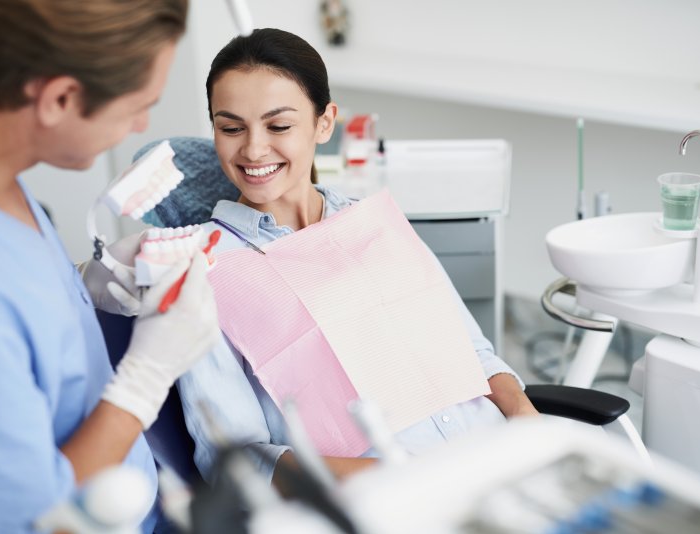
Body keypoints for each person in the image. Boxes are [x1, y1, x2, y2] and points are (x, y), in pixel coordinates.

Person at [173, 28, 538, 488]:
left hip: (501, 458)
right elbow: (235, 459)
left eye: (279, 125)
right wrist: (406, 477)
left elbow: (473, 354)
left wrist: (526, 419)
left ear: (324, 123)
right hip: (387, 498)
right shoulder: (203, 270)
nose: (253, 149)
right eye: (230, 128)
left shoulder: (373, 222)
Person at [0, 1, 219, 532]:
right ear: (61, 97)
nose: (142, 124)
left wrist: (83, 285)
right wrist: (146, 380)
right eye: (138, 106)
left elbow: (10, 325)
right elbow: (31, 521)